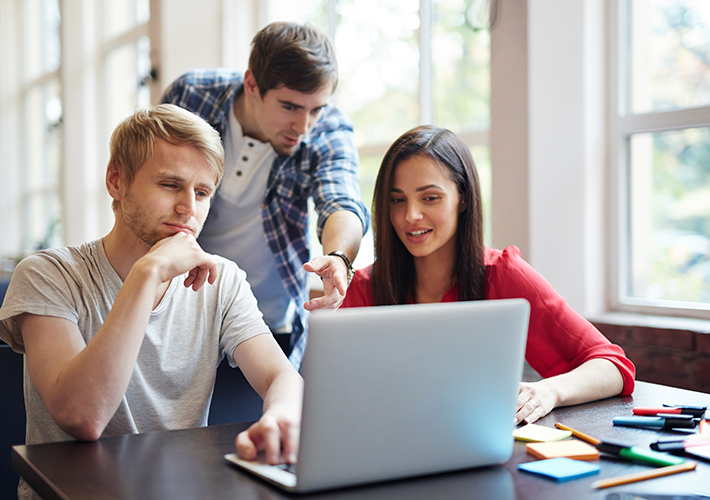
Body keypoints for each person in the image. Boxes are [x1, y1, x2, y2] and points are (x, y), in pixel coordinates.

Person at [0, 105, 302, 500]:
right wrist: (149, 273)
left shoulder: (222, 280)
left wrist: (280, 417)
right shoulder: (49, 274)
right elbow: (82, 417)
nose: (188, 209)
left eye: (202, 192)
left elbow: (282, 378)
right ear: (116, 181)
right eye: (169, 185)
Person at [341, 125, 636, 425]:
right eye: (397, 200)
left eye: (430, 198)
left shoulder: (503, 275)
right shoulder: (363, 290)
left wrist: (549, 391)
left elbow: (614, 367)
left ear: (463, 199)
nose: (410, 215)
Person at [161, 22, 370, 368]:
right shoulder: (191, 97)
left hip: (264, 325)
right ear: (252, 85)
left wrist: (338, 257)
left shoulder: (328, 128)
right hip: (177, 316)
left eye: (315, 109)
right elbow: (146, 186)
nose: (303, 128)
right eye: (289, 107)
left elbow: (341, 200)